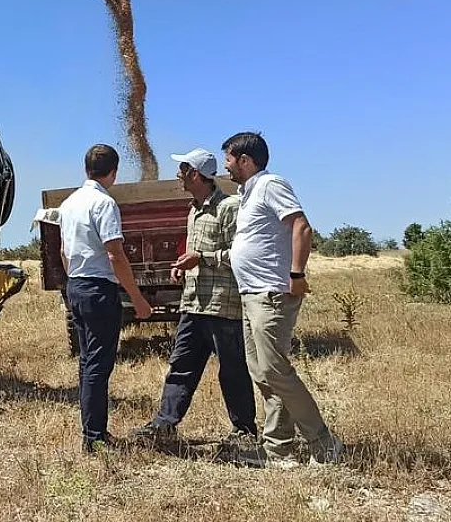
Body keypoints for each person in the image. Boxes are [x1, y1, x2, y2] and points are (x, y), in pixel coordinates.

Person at [222, 131, 344, 467]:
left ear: (245, 160)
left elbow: (301, 227)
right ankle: (279, 451)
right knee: (261, 373)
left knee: (275, 370)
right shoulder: (247, 194)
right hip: (251, 294)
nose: (226, 166)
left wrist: (296, 275)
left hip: (272, 293)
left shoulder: (270, 184)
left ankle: (324, 443)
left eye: (229, 159)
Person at [130, 148, 258, 449]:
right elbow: (194, 252)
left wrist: (201, 258)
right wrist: (182, 268)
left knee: (233, 369)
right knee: (181, 365)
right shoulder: (193, 209)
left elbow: (239, 255)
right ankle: (164, 424)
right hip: (194, 303)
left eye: (183, 169)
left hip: (222, 304)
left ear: (196, 175)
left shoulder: (230, 208)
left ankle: (244, 431)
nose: (178, 175)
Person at [58, 143, 153, 452]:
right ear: (113, 172)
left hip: (77, 285)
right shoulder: (104, 203)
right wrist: (137, 297)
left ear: (86, 169)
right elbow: (115, 254)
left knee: (87, 363)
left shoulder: (69, 203)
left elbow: (63, 251)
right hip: (99, 289)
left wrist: (73, 281)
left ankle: (91, 431)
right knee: (99, 365)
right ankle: (95, 438)